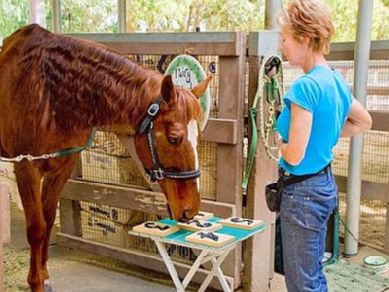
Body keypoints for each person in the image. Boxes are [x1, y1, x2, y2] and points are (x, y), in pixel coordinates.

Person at [276, 0, 372, 291]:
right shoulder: (335, 82)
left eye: (284, 38)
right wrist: (326, 133)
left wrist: (277, 144)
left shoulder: (305, 87)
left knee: (302, 282)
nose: (282, 46)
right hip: (323, 186)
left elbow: (294, 154)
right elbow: (363, 122)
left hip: (302, 193)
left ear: (304, 39)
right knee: (312, 273)